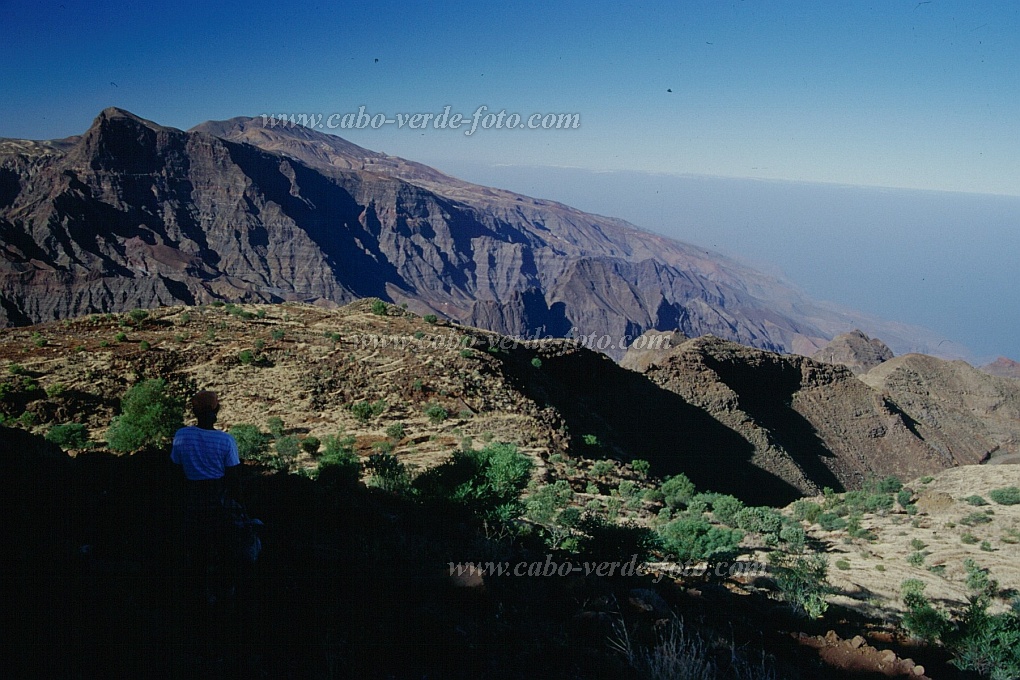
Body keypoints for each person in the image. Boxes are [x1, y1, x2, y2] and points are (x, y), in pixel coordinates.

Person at [171, 390, 241, 603]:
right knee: (222, 548)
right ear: (216, 410)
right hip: (216, 499)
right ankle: (225, 592)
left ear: (194, 411)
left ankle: (200, 593)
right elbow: (234, 478)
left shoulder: (182, 435)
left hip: (191, 498)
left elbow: (175, 469)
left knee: (195, 548)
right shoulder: (226, 440)